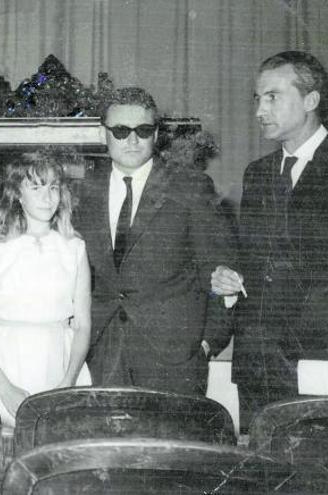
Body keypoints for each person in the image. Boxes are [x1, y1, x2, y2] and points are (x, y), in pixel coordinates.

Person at [76, 87, 234, 396]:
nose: (132, 140)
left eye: (143, 130)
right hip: (101, 352)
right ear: (102, 133)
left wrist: (206, 344)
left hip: (174, 359)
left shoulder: (191, 186)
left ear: (157, 133)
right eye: (120, 131)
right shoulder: (84, 191)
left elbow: (221, 272)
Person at [212, 51, 328, 427]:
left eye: (273, 97)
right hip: (257, 364)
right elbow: (253, 257)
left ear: (311, 100)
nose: (260, 110)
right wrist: (229, 279)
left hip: (317, 361)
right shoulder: (257, 173)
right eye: (257, 98)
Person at [0, 152, 91, 426]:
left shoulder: (74, 248)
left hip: (58, 363)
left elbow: (82, 326)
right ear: (17, 195)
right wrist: (5, 389)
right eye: (36, 187)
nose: (47, 197)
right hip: (2, 365)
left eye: (53, 187)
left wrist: (68, 382)